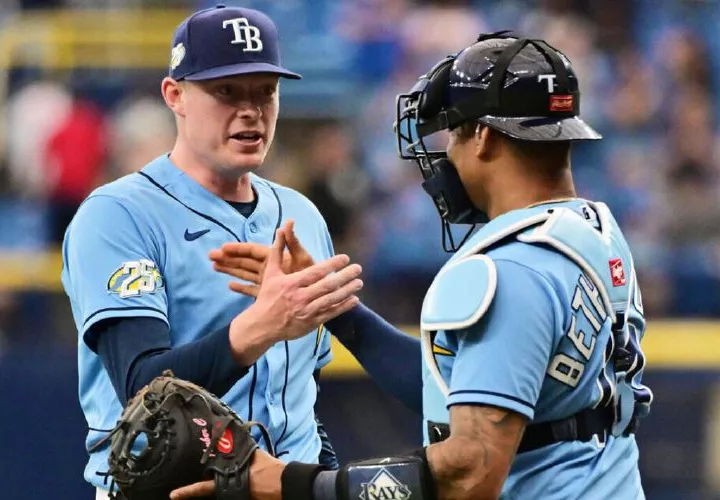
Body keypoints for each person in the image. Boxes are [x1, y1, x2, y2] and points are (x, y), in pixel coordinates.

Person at [171, 32, 653, 500]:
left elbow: (470, 472)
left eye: (454, 135)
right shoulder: (594, 233)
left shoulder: (505, 269)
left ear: (483, 137)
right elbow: (470, 389)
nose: (447, 155)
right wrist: (337, 311)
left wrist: (291, 483)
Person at [60, 5, 363, 499]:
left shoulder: (301, 214)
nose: (251, 109)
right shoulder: (118, 213)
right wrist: (262, 324)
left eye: (265, 90)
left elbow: (300, 393)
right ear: (175, 95)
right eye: (226, 91)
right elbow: (142, 387)